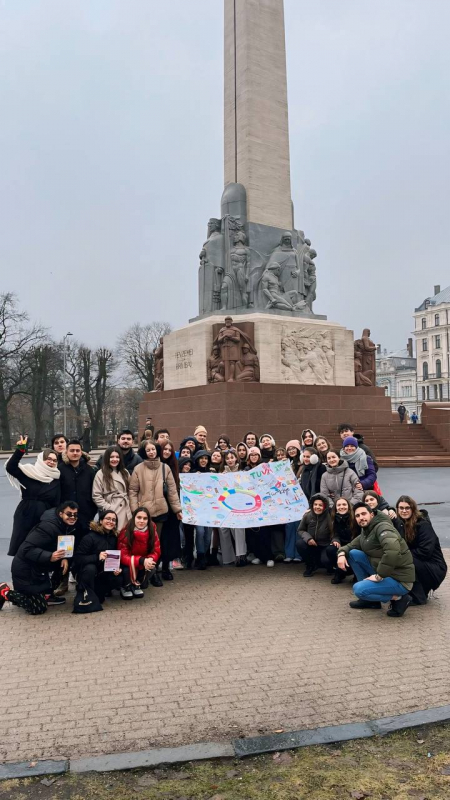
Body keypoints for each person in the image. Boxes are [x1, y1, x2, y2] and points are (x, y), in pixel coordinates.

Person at [337, 503, 415, 617]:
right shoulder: (367, 530)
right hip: (386, 572)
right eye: (358, 516)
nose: (361, 517)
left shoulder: (383, 527)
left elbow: (392, 551)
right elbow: (350, 546)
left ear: (372, 515)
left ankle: (399, 598)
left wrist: (379, 576)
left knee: (358, 590)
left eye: (364, 514)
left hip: (399, 579)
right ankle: (371, 602)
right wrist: (341, 554)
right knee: (353, 554)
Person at [0, 501, 78, 614]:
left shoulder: (66, 527)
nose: (72, 517)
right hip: (26, 570)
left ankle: (47, 594)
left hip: (40, 567)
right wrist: (50, 556)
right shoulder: (47, 527)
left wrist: (64, 557)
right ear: (61, 514)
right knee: (38, 608)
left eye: (75, 514)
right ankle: (5, 592)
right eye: (69, 514)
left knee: (64, 566)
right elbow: (27, 549)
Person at [129, 439, 182, 583]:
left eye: (153, 449)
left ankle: (156, 571)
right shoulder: (138, 468)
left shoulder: (165, 468)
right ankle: (146, 572)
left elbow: (172, 491)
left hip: (161, 512)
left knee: (157, 544)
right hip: (144, 514)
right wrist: (135, 511)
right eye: (148, 450)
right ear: (144, 452)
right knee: (145, 544)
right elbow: (133, 491)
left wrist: (177, 509)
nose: (151, 452)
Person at [6, 437, 61, 557]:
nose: (51, 462)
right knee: (22, 547)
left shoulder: (56, 478)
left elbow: (56, 501)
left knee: (40, 548)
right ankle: (20, 572)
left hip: (44, 518)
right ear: (41, 459)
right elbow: (11, 467)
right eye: (48, 459)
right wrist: (20, 450)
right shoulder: (30, 472)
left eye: (54, 460)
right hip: (26, 514)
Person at [394, 496, 447, 605]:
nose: (404, 511)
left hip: (435, 568)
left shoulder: (423, 525)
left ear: (413, 509)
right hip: (420, 562)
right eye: (401, 508)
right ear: (397, 509)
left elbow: (425, 551)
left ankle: (419, 596)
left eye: (407, 508)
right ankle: (414, 592)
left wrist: (402, 555)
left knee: (405, 560)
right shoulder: (401, 523)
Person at [72, 510, 123, 612]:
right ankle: (83, 589)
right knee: (90, 568)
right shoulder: (89, 537)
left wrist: (117, 568)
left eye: (114, 520)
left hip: (103, 572)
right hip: (86, 571)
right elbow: (77, 558)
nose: (111, 521)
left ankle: (101, 591)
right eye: (108, 519)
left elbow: (116, 556)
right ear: (100, 521)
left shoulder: (115, 537)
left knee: (121, 576)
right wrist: (97, 557)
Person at [118, 507, 161, 598]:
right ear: (134, 518)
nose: (141, 521)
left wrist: (150, 559)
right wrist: (141, 560)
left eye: (145, 518)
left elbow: (156, 549)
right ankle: (126, 586)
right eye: (139, 517)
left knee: (151, 567)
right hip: (129, 563)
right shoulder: (126, 531)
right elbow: (123, 555)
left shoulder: (152, 530)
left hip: (143, 561)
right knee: (126, 569)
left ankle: (137, 585)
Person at [296, 494, 339, 577]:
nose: (317, 507)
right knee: (300, 544)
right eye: (315, 505)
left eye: (320, 505)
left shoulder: (330, 516)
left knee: (325, 560)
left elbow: (335, 532)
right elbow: (301, 530)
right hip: (312, 544)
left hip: (325, 545)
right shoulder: (307, 515)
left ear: (325, 506)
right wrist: (308, 539)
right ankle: (310, 565)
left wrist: (335, 540)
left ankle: (329, 567)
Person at [92, 445, 132, 531]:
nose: (115, 459)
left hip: (126, 508)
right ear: (107, 458)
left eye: (117, 457)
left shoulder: (125, 472)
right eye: (112, 457)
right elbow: (96, 495)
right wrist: (109, 507)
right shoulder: (101, 473)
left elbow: (131, 490)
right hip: (111, 510)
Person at [219, 449, 248, 567]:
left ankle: (241, 556)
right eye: (227, 458)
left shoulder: (242, 472)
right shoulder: (221, 474)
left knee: (238, 528)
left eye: (232, 457)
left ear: (236, 458)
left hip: (239, 506)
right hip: (225, 506)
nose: (230, 460)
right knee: (223, 529)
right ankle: (228, 558)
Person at [329, 498, 358, 583]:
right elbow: (334, 533)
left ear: (349, 506)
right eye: (339, 505)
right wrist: (335, 539)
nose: (342, 507)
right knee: (330, 550)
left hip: (354, 544)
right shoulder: (334, 518)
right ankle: (340, 572)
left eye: (344, 504)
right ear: (336, 507)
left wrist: (390, 509)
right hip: (341, 544)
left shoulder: (355, 518)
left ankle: (356, 574)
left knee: (355, 553)